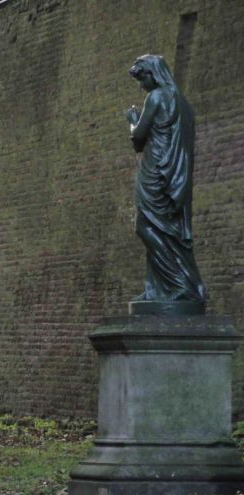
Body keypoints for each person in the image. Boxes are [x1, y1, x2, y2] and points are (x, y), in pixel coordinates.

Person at [125, 54, 206, 306]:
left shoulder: (157, 96)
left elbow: (139, 137)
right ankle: (158, 289)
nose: (141, 85)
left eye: (143, 77)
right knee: (167, 231)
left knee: (145, 226)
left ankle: (179, 284)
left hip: (155, 170)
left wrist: (132, 120)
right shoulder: (183, 104)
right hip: (174, 174)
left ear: (154, 73)